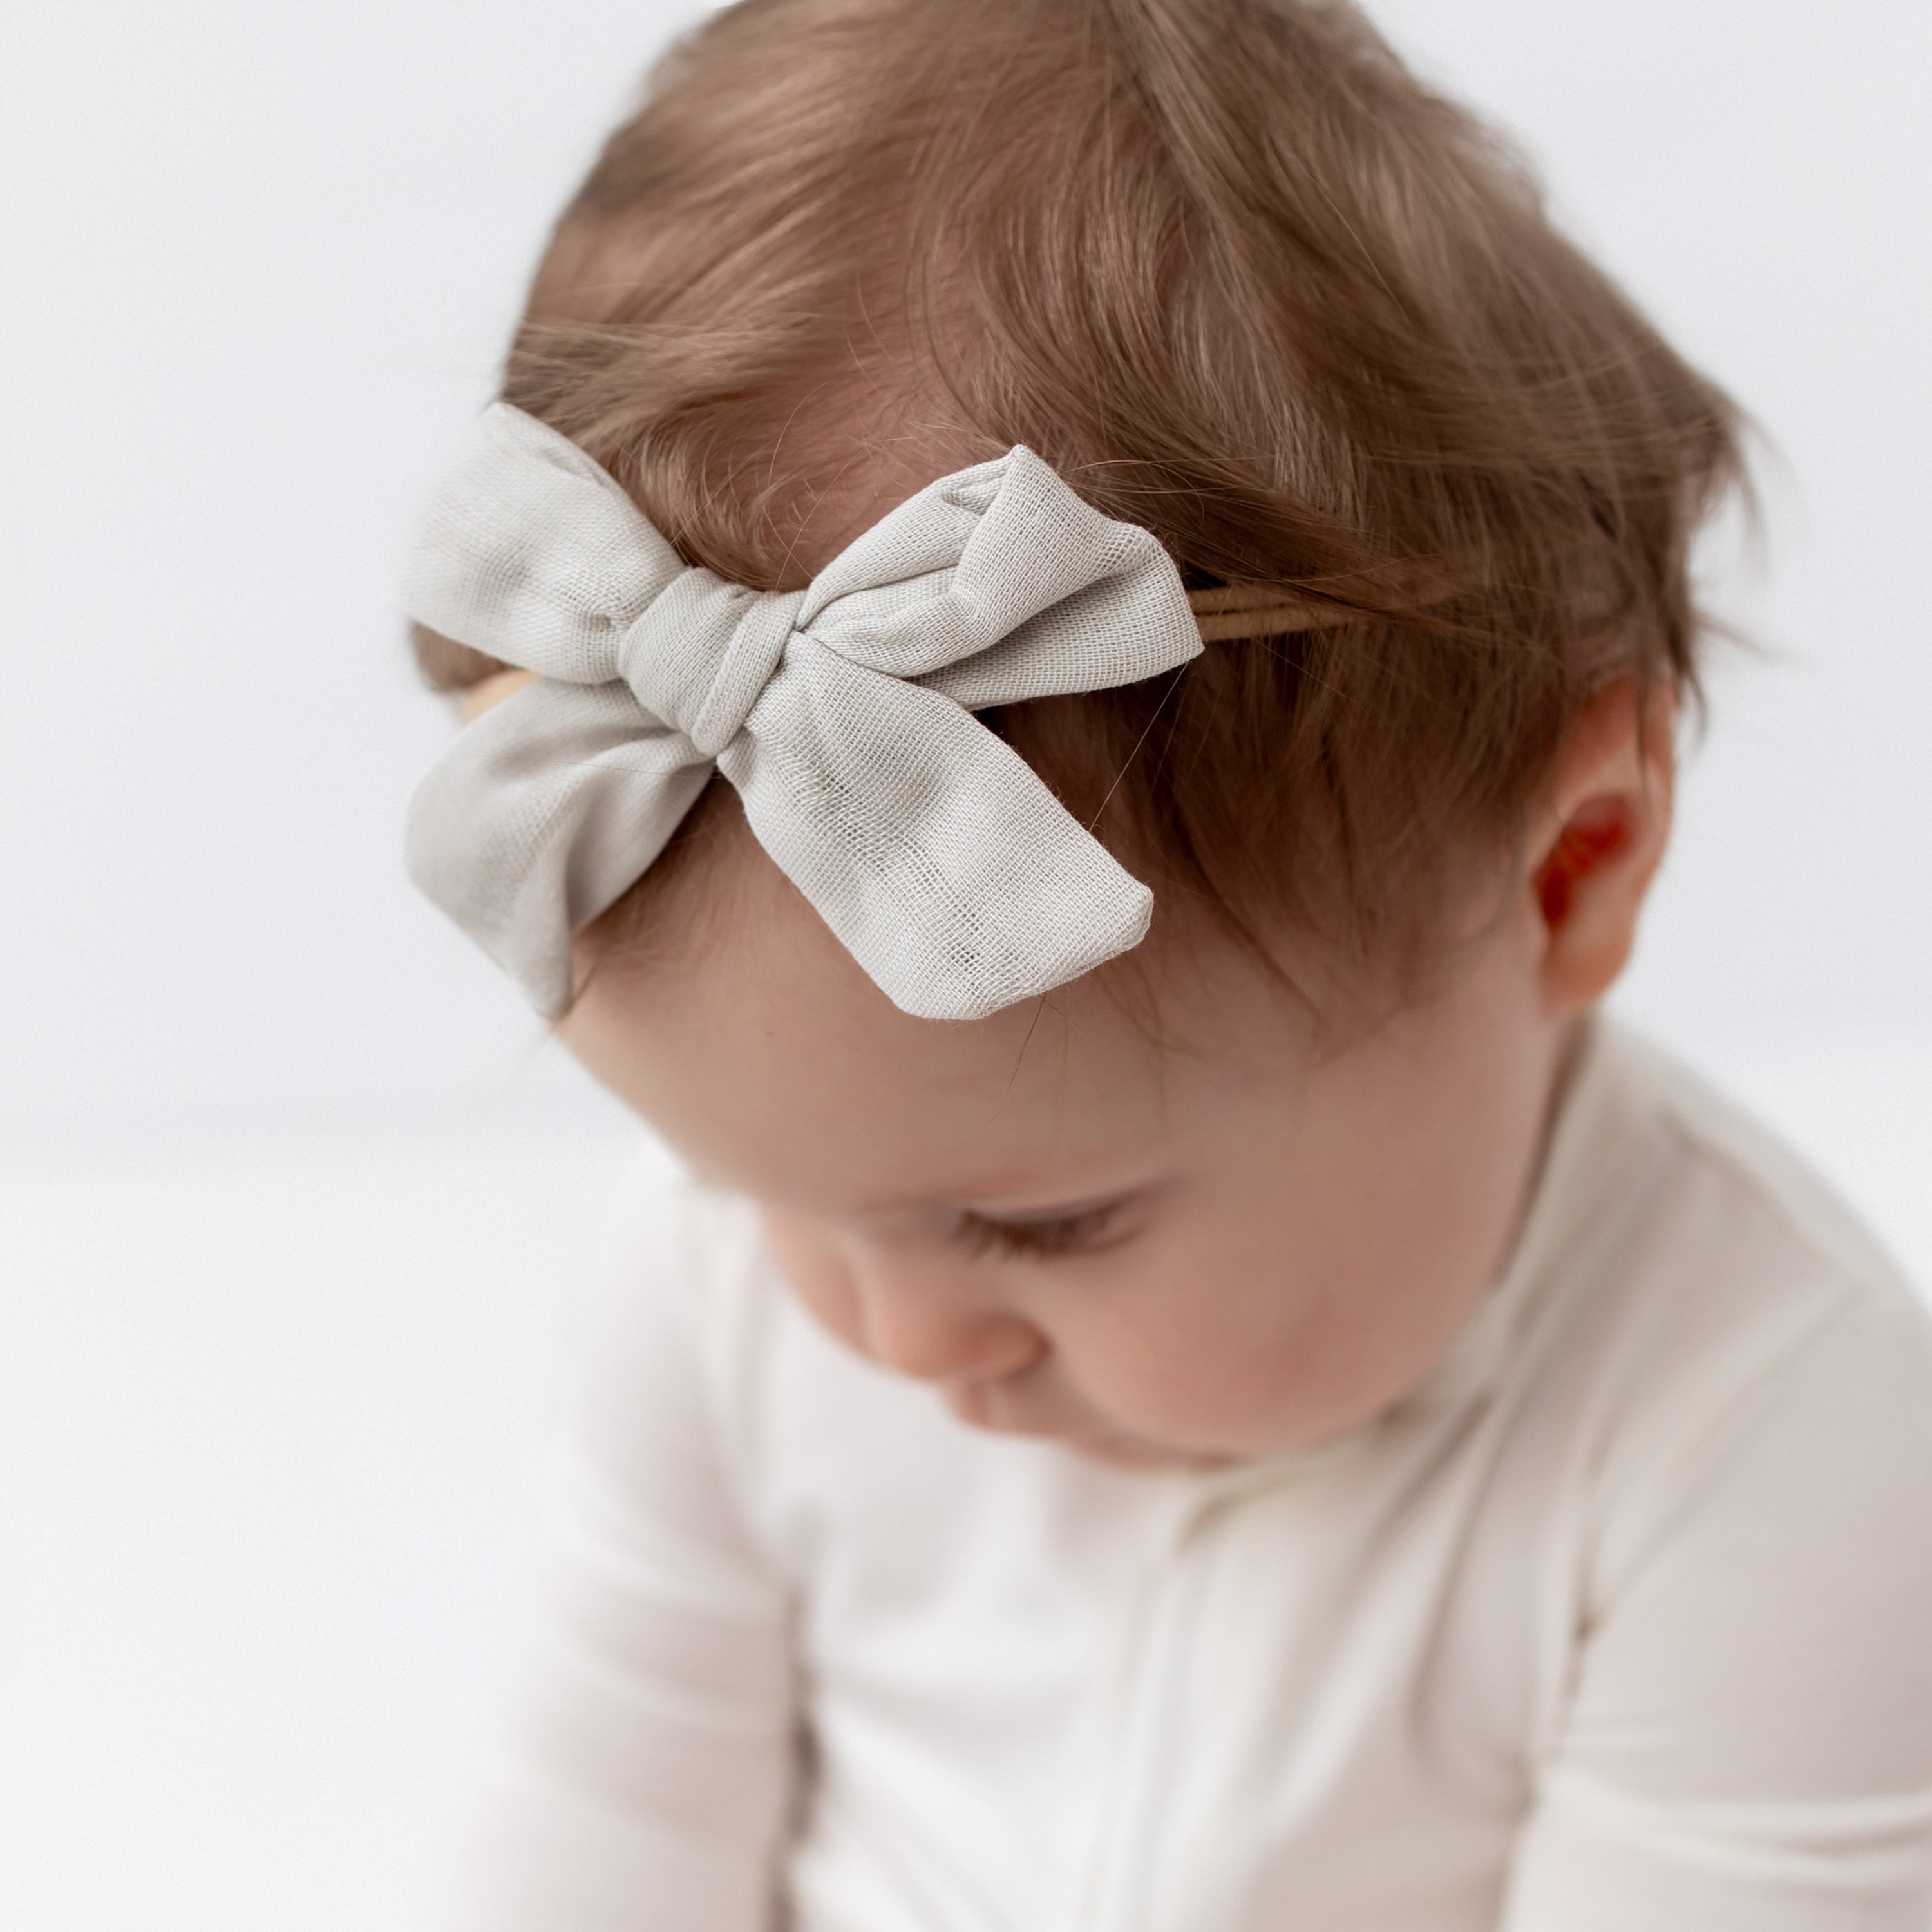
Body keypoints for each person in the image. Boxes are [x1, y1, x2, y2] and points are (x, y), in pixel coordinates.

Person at [399, 1, 1932, 1924]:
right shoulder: (730, 1285)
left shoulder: (1775, 1453)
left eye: (1041, 1227)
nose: (887, 1336)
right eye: (746, 1188)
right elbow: (599, 1830)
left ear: (1568, 875)